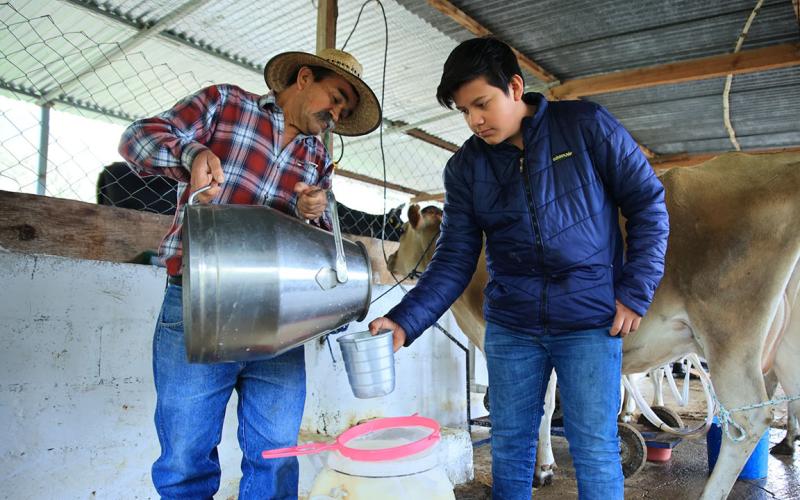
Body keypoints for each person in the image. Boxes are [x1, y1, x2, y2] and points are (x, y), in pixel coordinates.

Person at [369, 37, 669, 499]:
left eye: (482, 104)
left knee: (594, 449)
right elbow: (453, 258)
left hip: (589, 322)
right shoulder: (466, 168)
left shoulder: (586, 127)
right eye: (464, 111)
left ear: (514, 86)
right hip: (512, 327)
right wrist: (406, 321)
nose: (475, 120)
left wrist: (636, 288)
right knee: (510, 450)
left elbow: (648, 202)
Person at [118, 47, 381, 499]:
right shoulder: (227, 104)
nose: (335, 112)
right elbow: (137, 139)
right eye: (335, 97)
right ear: (303, 78)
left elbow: (316, 241)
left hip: (282, 318)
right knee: (186, 455)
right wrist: (191, 152)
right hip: (199, 299)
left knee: (276, 453)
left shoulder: (317, 156)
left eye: (344, 109)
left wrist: (312, 211)